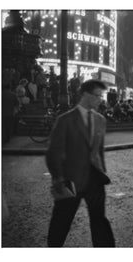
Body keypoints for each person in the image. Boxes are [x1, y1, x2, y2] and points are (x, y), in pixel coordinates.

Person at [45, 79, 115, 247]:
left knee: (99, 220)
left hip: (95, 180)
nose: (100, 100)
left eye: (101, 96)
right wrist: (58, 178)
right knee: (62, 220)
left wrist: (102, 171)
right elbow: (53, 152)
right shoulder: (65, 120)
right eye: (97, 96)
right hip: (71, 180)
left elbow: (99, 150)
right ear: (85, 95)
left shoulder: (100, 120)